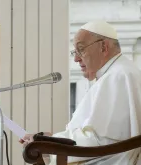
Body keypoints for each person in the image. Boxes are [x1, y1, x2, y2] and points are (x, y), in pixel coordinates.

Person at [20, 20, 141, 165]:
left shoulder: (118, 76)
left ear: (103, 47)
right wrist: (49, 139)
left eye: (81, 49)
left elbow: (99, 140)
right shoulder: (116, 73)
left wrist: (48, 144)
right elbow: (96, 136)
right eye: (75, 52)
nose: (76, 58)